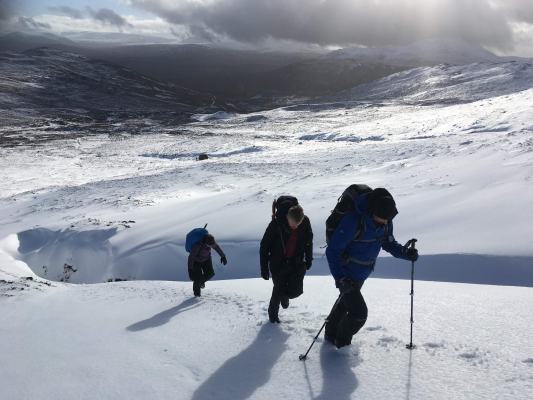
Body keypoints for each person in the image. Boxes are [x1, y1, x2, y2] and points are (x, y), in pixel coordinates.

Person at [324, 188, 418, 348]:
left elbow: (388, 242)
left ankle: (330, 334)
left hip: (362, 274)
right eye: (384, 219)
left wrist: (405, 253)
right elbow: (332, 250)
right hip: (347, 275)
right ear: (372, 212)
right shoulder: (353, 221)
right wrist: (340, 279)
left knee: (345, 304)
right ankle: (341, 344)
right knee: (359, 314)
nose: (386, 222)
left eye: (389, 219)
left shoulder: (385, 220)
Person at [260, 200, 313, 323]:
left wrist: (309, 258)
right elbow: (264, 246)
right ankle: (273, 317)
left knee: (296, 291)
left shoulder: (304, 222)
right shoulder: (276, 224)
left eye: (298, 224)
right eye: (293, 225)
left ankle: (285, 295)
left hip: (297, 261)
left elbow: (308, 241)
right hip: (279, 262)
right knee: (278, 290)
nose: (296, 227)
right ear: (287, 217)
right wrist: (264, 268)